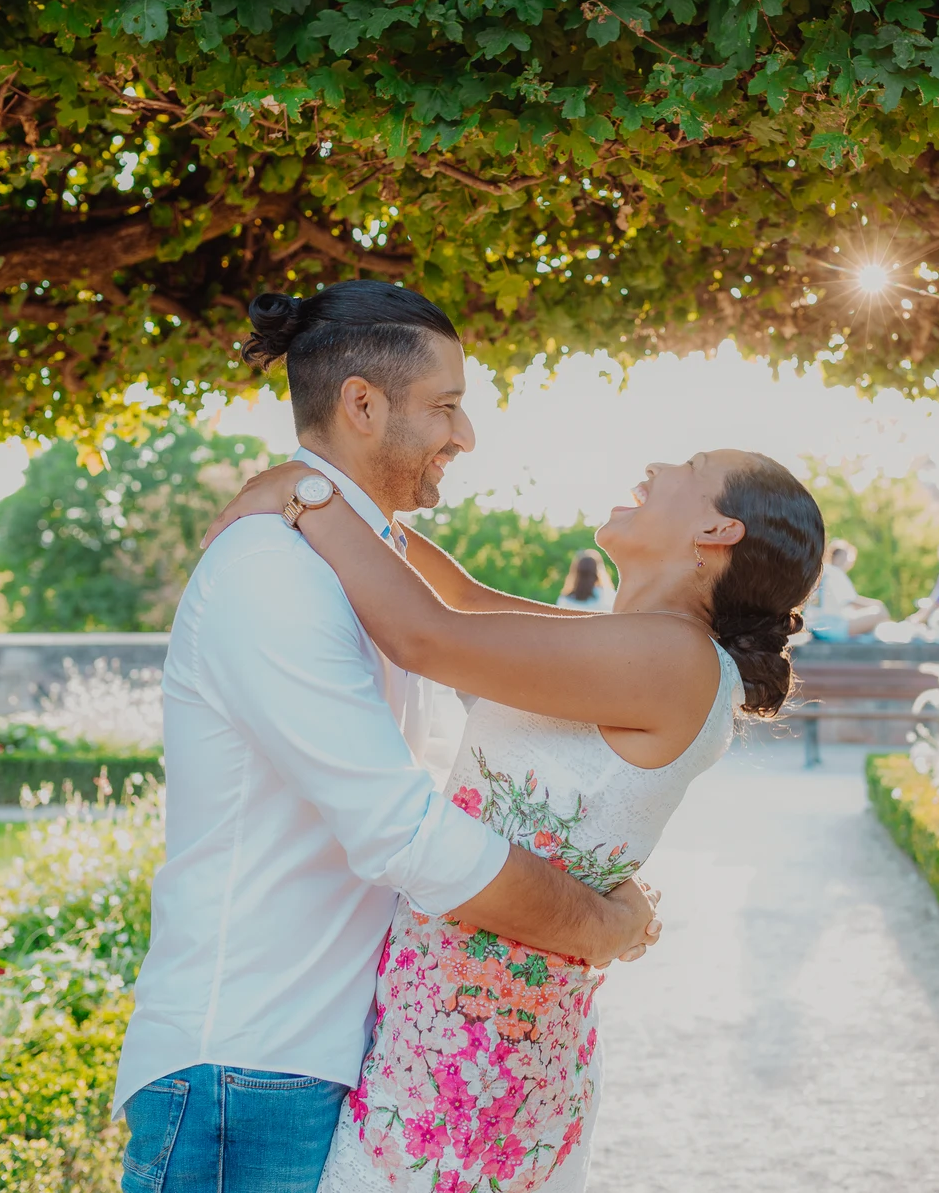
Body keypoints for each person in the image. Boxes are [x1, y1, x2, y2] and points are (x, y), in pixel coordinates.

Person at [198, 330, 826, 1191]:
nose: (656, 466)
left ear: (719, 527)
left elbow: (429, 634)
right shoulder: (638, 645)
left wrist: (307, 498)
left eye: (688, 464)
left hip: (477, 1070)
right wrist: (346, 498)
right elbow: (462, 597)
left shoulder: (673, 661)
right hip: (457, 1041)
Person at [112, 282, 667, 1193]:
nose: (466, 434)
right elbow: (402, 831)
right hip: (250, 1070)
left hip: (323, 1056)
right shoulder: (270, 572)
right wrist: (597, 924)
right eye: (446, 406)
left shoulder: (365, 560)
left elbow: (498, 632)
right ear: (362, 404)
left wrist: (307, 490)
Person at [803, 538, 890, 640]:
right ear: (841, 556)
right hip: (830, 627)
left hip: (813, 624)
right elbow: (852, 602)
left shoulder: (822, 572)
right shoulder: (835, 572)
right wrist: (877, 604)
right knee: (880, 613)